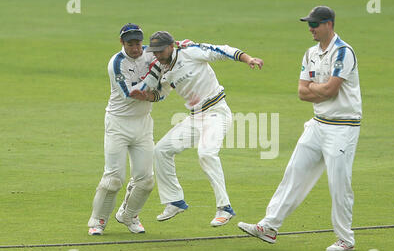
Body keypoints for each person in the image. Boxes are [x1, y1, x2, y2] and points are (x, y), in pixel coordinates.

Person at [238, 6, 362, 251]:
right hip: (317, 123)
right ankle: (269, 227)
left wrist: (316, 88)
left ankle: (345, 239)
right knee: (295, 172)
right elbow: (301, 93)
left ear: (329, 24)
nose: (311, 29)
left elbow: (330, 90)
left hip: (343, 126)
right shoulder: (310, 54)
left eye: (315, 24)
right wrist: (319, 87)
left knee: (339, 182)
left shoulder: (343, 52)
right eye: (309, 24)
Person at [132, 31, 264, 227]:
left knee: (206, 153)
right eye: (155, 52)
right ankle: (175, 201)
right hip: (195, 117)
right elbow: (160, 93)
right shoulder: (160, 69)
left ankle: (224, 208)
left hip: (216, 112)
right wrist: (145, 96)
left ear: (171, 46)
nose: (158, 55)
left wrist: (248, 59)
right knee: (161, 150)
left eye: (161, 50)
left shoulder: (190, 51)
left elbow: (222, 50)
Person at [87, 23, 162, 235]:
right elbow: (133, 93)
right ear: (122, 43)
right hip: (118, 124)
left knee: (146, 180)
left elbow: (173, 55)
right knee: (113, 179)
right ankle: (98, 221)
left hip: (143, 123)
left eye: (138, 43)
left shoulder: (151, 53)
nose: (136, 48)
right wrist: (156, 86)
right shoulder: (116, 63)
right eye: (130, 44)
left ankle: (129, 215)